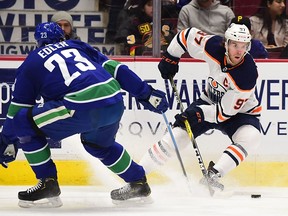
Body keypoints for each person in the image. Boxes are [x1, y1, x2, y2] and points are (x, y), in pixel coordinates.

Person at [0, 22, 169, 208]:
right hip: (114, 100)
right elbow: (116, 69)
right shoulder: (77, 45)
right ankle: (138, 184)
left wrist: (5, 141)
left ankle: (47, 185)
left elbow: (16, 114)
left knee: (23, 122)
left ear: (38, 43)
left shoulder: (31, 63)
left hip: (81, 105)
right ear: (62, 37)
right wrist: (145, 93)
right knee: (98, 145)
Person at [139, 23, 262, 191]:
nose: (239, 51)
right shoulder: (213, 46)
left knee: (251, 137)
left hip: (240, 114)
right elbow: (187, 36)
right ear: (226, 43)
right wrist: (171, 56)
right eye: (234, 44)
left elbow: (223, 114)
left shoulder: (247, 74)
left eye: (243, 46)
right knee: (176, 137)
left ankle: (213, 175)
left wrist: (196, 113)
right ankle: (136, 177)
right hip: (209, 102)